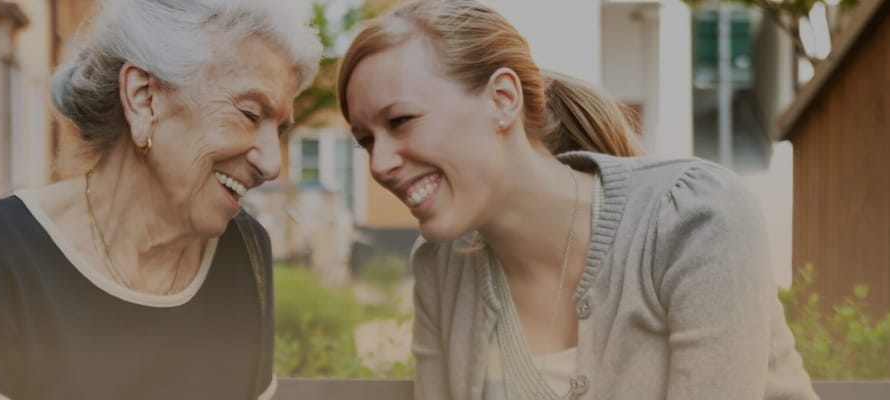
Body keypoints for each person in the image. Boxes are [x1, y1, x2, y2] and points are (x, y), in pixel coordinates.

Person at [337, 0, 818, 399]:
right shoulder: (441, 266)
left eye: (400, 121)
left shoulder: (695, 220)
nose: (379, 164)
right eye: (366, 141)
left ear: (502, 99)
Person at [0, 1, 321, 399]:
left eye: (279, 130)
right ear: (144, 98)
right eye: (250, 114)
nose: (272, 164)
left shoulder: (245, 253)